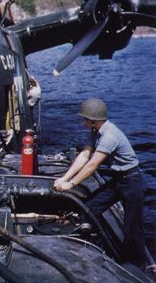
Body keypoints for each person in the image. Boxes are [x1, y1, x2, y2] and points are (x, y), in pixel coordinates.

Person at [54, 98, 146, 269]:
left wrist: (71, 184)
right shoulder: (96, 131)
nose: (83, 122)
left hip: (133, 181)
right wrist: (64, 179)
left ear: (93, 120)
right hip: (119, 179)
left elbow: (92, 165)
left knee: (133, 228)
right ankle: (96, 248)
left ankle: (138, 265)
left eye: (84, 119)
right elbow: (84, 156)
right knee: (90, 207)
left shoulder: (109, 136)